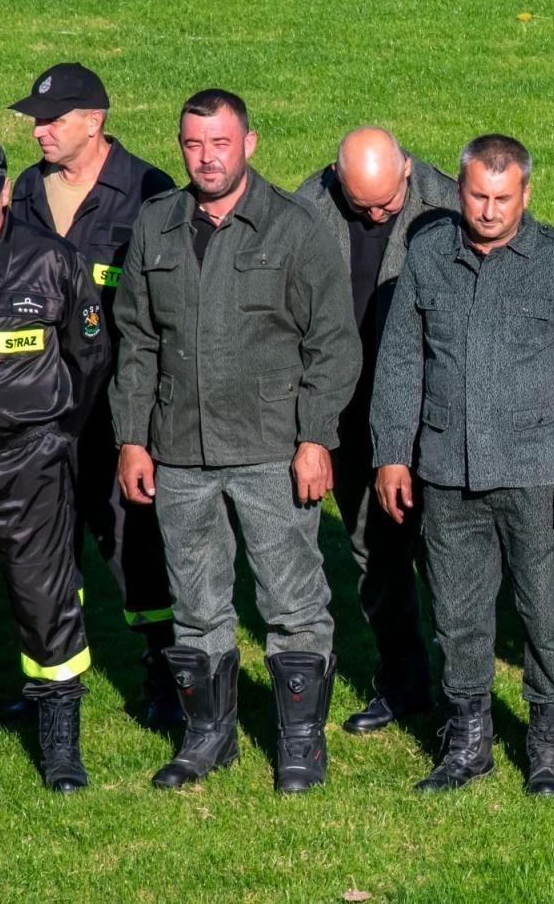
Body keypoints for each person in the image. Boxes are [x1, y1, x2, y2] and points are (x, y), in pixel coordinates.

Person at [110, 89, 359, 793]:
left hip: (271, 449)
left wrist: (316, 437)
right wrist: (132, 438)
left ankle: (300, 743)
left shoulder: (295, 227)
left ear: (249, 144)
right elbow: (136, 340)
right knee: (195, 602)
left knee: (291, 601)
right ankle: (207, 735)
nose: (206, 157)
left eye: (220, 143)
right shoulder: (156, 224)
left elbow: (334, 345)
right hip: (179, 449)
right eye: (193, 144)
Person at [370, 134, 554, 796]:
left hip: (538, 476)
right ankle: (467, 744)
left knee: (546, 616)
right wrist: (393, 453)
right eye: (478, 194)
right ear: (459, 189)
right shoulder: (427, 257)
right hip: (446, 473)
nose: (489, 209)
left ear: (526, 195)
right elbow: (399, 363)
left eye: (503, 198)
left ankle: (544, 748)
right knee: (457, 614)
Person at [8, 62, 181, 725]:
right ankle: (50, 687)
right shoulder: (25, 192)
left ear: (94, 121)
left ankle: (166, 676)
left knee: (134, 547)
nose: (40, 132)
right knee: (43, 553)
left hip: (118, 411)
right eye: (36, 121)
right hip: (38, 411)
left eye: (52, 121)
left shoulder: (148, 191)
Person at [294, 126, 457, 735]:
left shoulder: (448, 204)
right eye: (364, 205)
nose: (379, 213)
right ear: (339, 180)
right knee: (375, 556)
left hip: (432, 415)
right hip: (350, 414)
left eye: (388, 201)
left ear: (407, 169)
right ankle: (404, 681)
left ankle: (459, 698)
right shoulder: (306, 211)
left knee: (446, 558)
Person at [0, 126, 105, 790]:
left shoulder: (49, 260)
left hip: (30, 463)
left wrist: (56, 433)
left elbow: (90, 356)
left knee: (46, 599)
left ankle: (61, 739)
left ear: (6, 191)